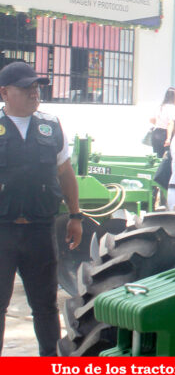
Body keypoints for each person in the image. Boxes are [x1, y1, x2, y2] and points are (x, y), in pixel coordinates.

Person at [0, 61, 82, 357]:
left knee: (46, 307)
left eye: (36, 87)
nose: (35, 93)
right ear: (5, 93)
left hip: (40, 232)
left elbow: (65, 173)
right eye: (26, 88)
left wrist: (75, 216)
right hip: (2, 232)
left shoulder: (50, 126)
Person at [149, 87, 175, 157]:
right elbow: (170, 123)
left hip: (156, 133)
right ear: (174, 97)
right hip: (165, 134)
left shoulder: (160, 107)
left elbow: (152, 119)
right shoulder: (172, 108)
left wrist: (160, 123)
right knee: (166, 157)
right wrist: (168, 138)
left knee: (157, 156)